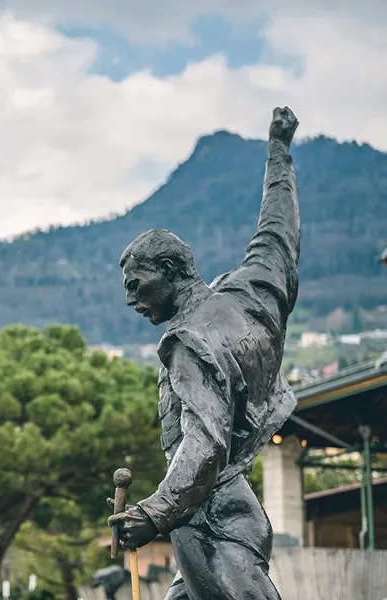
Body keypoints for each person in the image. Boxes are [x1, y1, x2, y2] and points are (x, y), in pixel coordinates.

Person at [108, 107, 300, 600]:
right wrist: (279, 154)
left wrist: (154, 512)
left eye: (136, 284)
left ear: (170, 270)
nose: (131, 299)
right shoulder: (249, 294)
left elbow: (206, 442)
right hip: (209, 515)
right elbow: (278, 234)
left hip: (215, 518)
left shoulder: (188, 343)